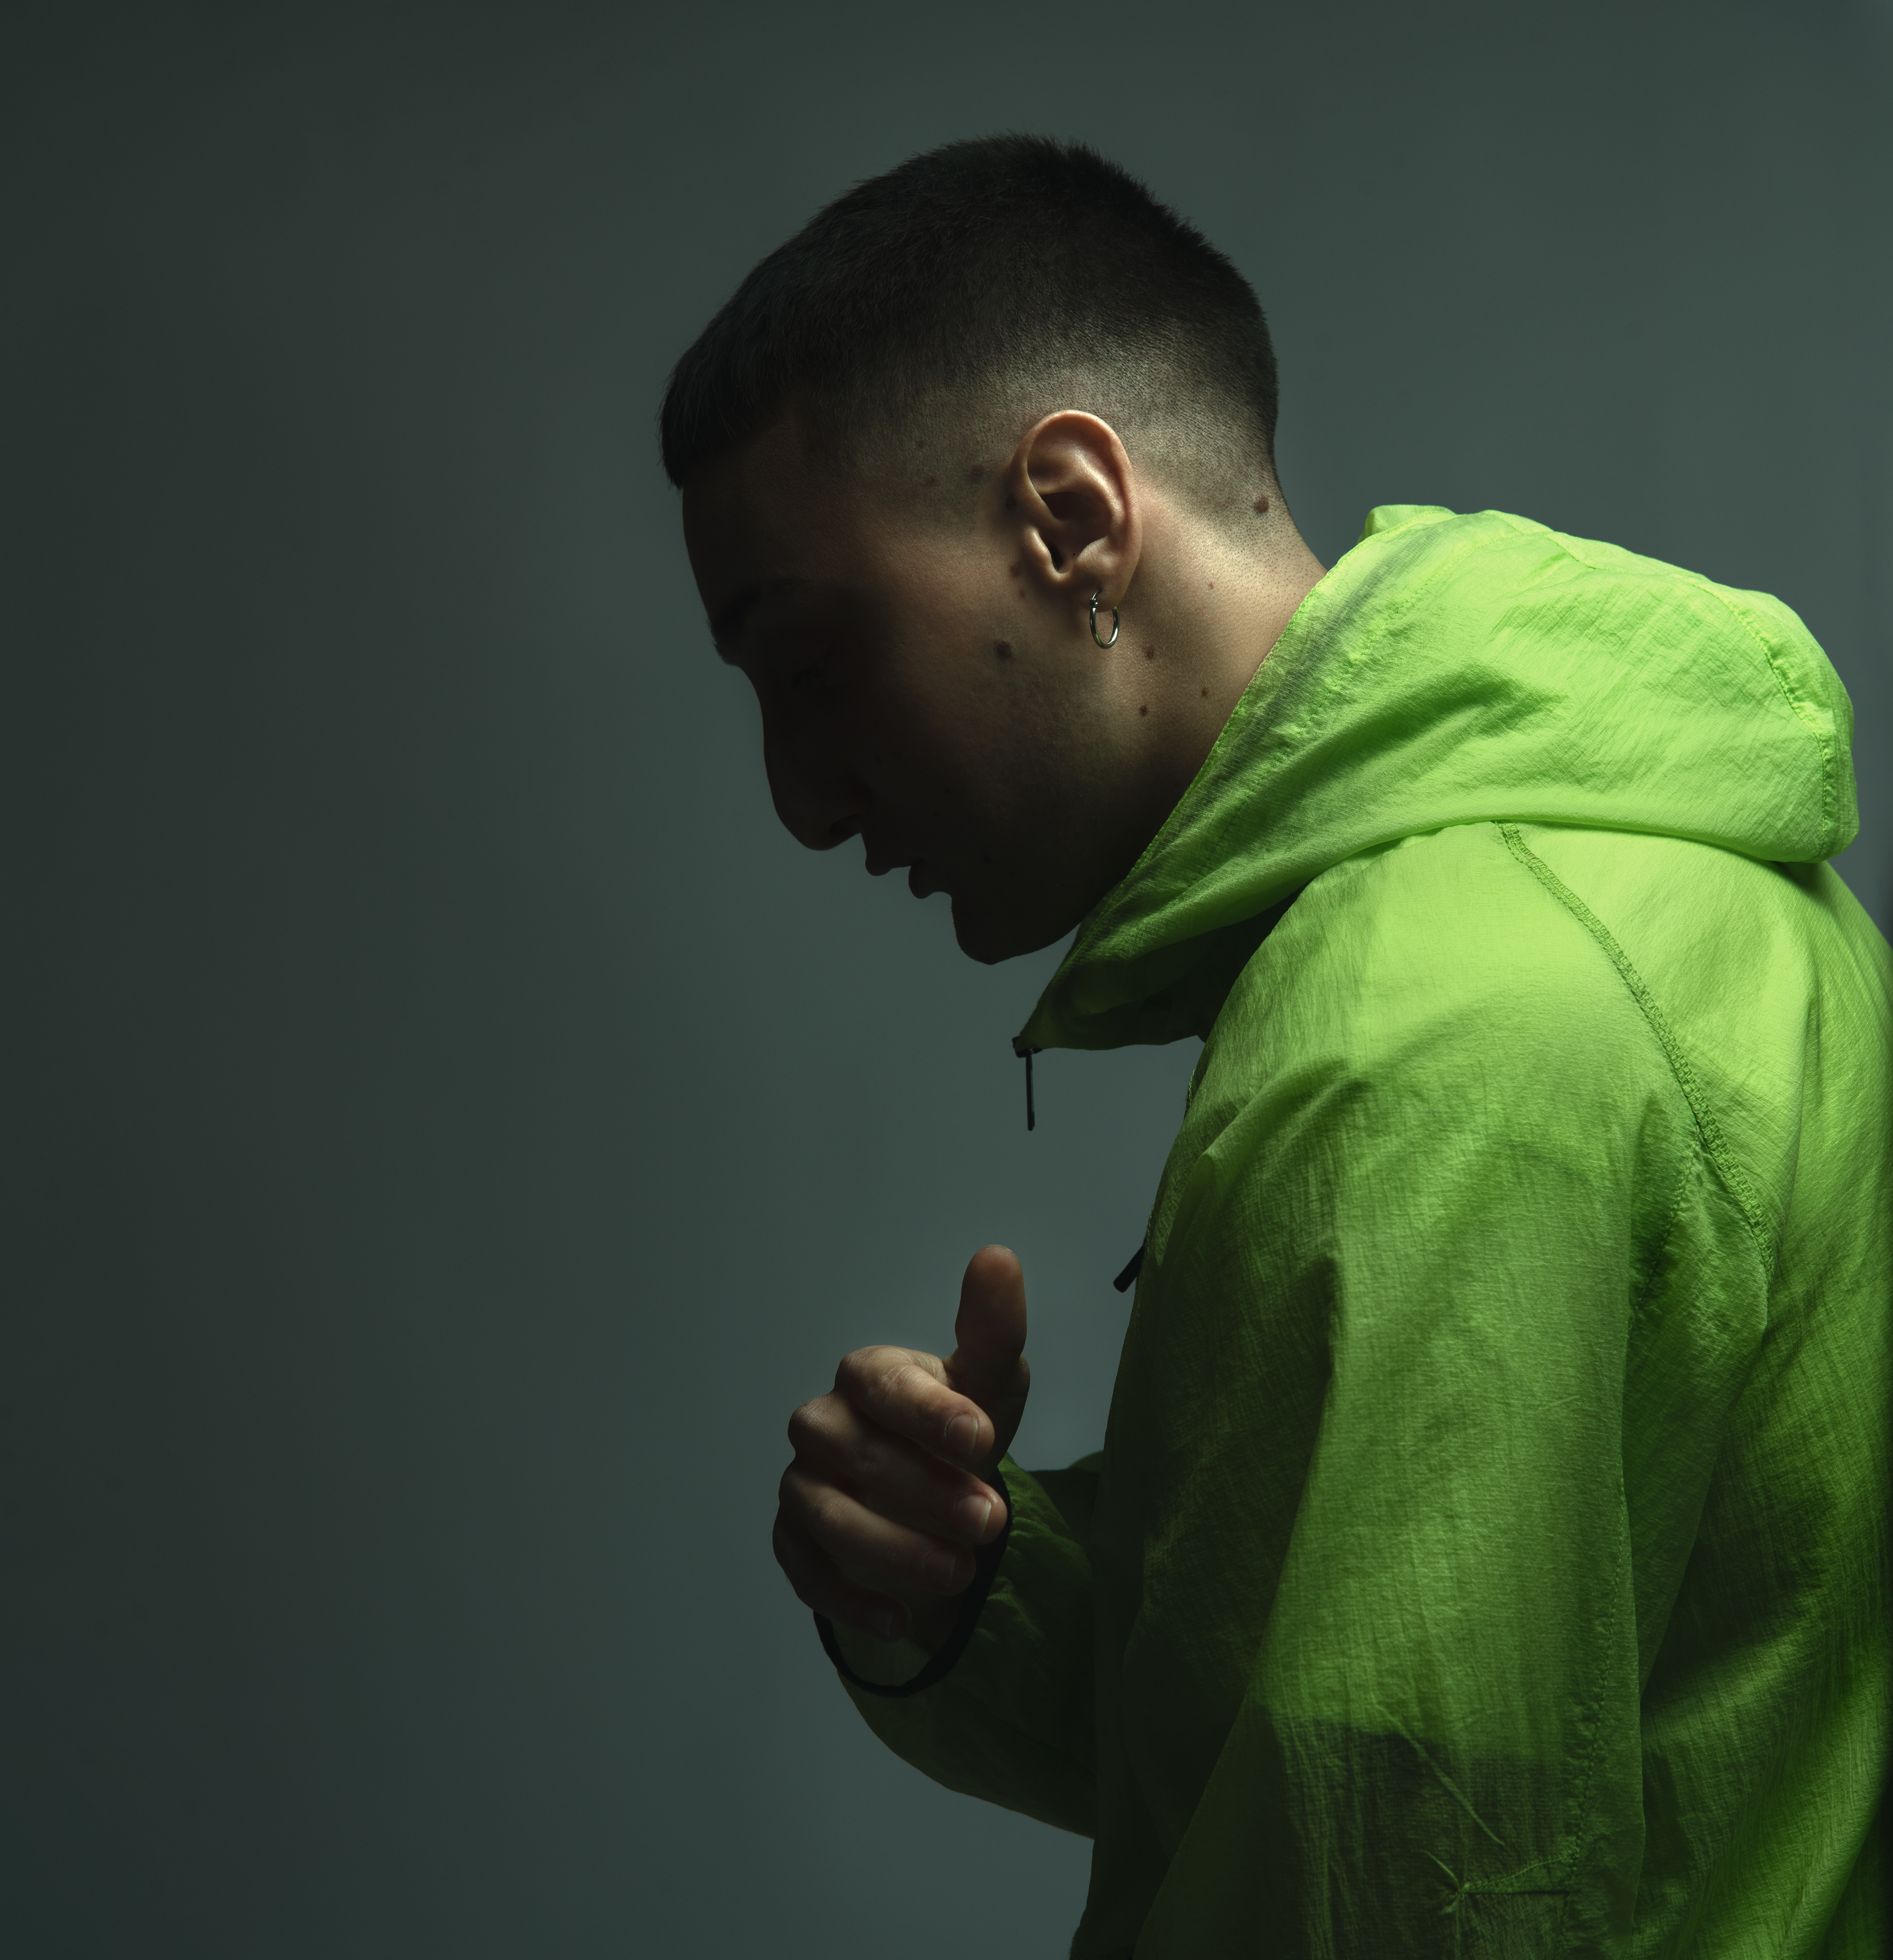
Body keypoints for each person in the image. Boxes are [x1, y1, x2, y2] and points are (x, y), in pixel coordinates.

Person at [661, 136, 1888, 1956]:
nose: (800, 799)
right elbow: (1546, 1710)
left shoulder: (1423, 1040)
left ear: (1071, 517)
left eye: (811, 660)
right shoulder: (1670, 881)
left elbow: (1403, 1871)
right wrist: (978, 1587)